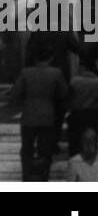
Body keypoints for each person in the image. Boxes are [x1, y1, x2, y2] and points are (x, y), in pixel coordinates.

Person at [8, 40, 68, 181]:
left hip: (28, 117)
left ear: (35, 58)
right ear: (51, 57)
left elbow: (15, 94)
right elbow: (64, 94)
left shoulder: (25, 73)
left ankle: (27, 177)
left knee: (27, 149)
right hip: (48, 117)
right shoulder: (56, 73)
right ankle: (42, 178)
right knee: (45, 151)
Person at [65, 60, 98, 158]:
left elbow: (67, 100)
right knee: (91, 144)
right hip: (93, 116)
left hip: (76, 114)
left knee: (75, 144)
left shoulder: (74, 81)